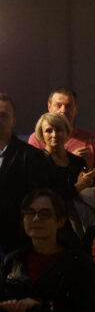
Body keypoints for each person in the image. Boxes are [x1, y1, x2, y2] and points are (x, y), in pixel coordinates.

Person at [0, 93, 58, 255]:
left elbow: (37, 199)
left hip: (13, 243)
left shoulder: (31, 156)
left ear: (13, 120)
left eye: (3, 115)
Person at [35, 112, 95, 239]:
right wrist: (76, 188)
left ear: (67, 132)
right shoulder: (36, 161)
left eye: (59, 130)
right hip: (50, 221)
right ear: (41, 134)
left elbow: (83, 191)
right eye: (48, 130)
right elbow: (43, 195)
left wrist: (87, 182)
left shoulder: (77, 161)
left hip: (80, 219)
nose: (54, 135)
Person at [28, 87, 95, 181]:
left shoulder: (90, 139)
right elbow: (34, 177)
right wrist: (69, 158)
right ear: (49, 107)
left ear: (75, 109)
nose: (63, 110)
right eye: (58, 105)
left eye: (68, 106)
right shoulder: (36, 139)